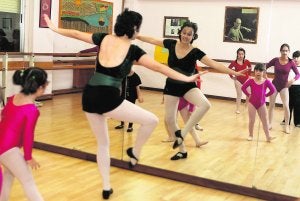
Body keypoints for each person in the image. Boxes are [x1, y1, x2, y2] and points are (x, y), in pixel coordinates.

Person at [44, 9, 200, 200]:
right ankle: (134, 151)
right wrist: (187, 78)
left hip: (89, 94)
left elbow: (76, 34)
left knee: (103, 144)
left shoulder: (104, 38)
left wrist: (53, 28)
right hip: (108, 97)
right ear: (134, 28)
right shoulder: (134, 50)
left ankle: (106, 187)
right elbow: (160, 68)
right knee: (151, 120)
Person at [137, 21, 246, 160]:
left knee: (205, 104)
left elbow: (214, 64)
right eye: (184, 33)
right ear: (180, 33)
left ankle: (184, 132)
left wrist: (235, 73)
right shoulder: (170, 44)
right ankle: (182, 151)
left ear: (193, 36)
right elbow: (152, 40)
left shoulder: (195, 52)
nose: (186, 36)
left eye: (189, 34)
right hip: (171, 85)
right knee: (170, 120)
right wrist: (137, 36)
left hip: (188, 85)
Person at [0, 67, 48, 201]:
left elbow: (3, 116)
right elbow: (28, 136)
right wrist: (28, 157)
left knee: (9, 175)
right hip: (8, 149)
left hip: (2, 146)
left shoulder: (13, 98)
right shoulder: (31, 110)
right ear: (40, 88)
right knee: (28, 182)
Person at [266, 44, 300, 134]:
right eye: (283, 50)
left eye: (286, 51)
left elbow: (298, 74)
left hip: (284, 87)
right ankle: (269, 123)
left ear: (288, 52)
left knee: (286, 106)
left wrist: (292, 80)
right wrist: (265, 77)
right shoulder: (276, 60)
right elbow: (264, 67)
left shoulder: (291, 62)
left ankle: (287, 126)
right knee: (271, 105)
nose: (285, 52)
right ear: (280, 51)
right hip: (274, 85)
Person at [241, 63, 276, 142]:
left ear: (264, 72)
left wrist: (266, 95)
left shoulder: (266, 81)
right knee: (252, 120)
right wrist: (248, 94)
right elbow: (243, 88)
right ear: (254, 72)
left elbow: (273, 90)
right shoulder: (251, 80)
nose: (258, 72)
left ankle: (268, 136)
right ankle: (250, 135)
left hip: (261, 104)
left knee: (265, 121)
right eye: (256, 70)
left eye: (260, 70)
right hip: (252, 103)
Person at [228, 47, 252, 114]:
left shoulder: (247, 61)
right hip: (238, 80)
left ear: (244, 55)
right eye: (239, 54)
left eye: (242, 54)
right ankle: (237, 109)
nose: (241, 55)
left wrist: (249, 75)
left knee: (249, 94)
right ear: (237, 54)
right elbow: (228, 69)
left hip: (246, 79)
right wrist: (232, 77)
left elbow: (250, 67)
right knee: (239, 95)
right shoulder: (234, 62)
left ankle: (246, 106)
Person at [281, 50, 300, 127]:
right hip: (289, 87)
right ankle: (286, 120)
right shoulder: (290, 66)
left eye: (297, 57)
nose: (296, 59)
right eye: (294, 57)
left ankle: (298, 122)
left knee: (298, 105)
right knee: (288, 104)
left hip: (298, 88)